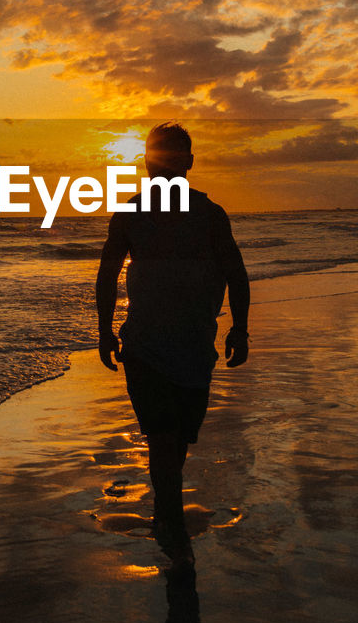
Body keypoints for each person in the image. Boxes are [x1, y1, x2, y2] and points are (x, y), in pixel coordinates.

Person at [96, 122, 250, 567]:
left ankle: (168, 512)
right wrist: (105, 330)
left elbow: (235, 273)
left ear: (188, 162)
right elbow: (107, 273)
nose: (162, 164)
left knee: (177, 438)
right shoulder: (130, 213)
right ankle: (169, 520)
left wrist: (239, 328)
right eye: (156, 155)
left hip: (194, 345)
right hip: (143, 344)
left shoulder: (210, 215)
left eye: (171, 156)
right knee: (162, 435)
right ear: (146, 161)